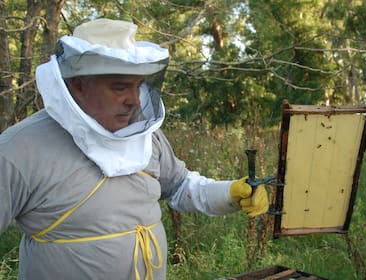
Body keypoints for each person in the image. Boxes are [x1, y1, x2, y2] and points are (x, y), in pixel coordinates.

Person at [0, 18, 268, 280]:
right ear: (78, 86)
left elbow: (179, 186)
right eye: (120, 87)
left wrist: (230, 193)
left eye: (138, 86)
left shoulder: (145, 137)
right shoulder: (20, 148)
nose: (134, 100)